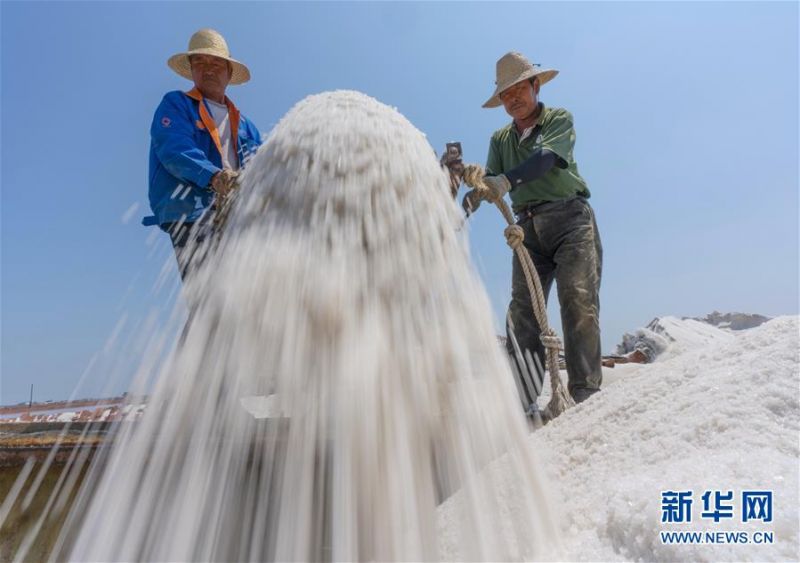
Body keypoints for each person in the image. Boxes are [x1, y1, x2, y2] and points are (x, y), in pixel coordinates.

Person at [463, 51, 603, 405]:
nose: (512, 100)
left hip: (570, 221)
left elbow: (545, 159)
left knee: (578, 298)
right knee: (522, 313)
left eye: (518, 90)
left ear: (535, 85)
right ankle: (522, 401)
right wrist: (462, 208)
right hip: (528, 232)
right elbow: (489, 185)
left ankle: (585, 394)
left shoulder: (558, 119)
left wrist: (506, 182)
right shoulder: (500, 140)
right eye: (505, 95)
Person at [142, 28, 262, 279]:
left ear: (229, 72)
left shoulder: (247, 127)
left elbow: (261, 167)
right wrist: (214, 177)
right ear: (191, 70)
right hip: (191, 210)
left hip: (237, 216)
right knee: (209, 294)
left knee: (247, 293)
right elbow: (174, 149)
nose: (208, 68)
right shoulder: (177, 104)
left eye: (217, 63)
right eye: (200, 62)